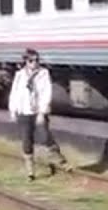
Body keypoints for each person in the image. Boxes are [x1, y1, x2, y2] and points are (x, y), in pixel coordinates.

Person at [7, 49, 65, 180]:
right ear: (26, 62)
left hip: (38, 111)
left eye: (37, 60)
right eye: (31, 61)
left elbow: (46, 92)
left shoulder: (43, 73)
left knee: (44, 136)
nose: (34, 63)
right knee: (27, 140)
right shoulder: (20, 75)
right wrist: (13, 110)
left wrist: (42, 112)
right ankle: (30, 171)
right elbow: (15, 93)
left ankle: (58, 157)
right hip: (24, 111)